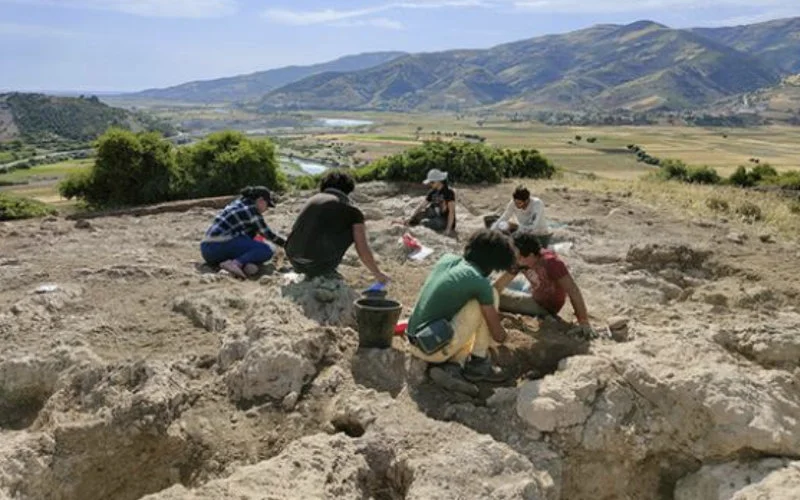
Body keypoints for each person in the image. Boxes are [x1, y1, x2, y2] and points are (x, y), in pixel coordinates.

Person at [405, 229, 516, 394]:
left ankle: (452, 366)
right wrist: (506, 337)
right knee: (489, 297)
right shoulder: (480, 283)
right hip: (432, 350)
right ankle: (478, 363)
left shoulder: (447, 260)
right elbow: (498, 335)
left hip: (415, 341)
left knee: (475, 300)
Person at [285, 170, 389, 283]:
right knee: (355, 226)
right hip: (318, 265)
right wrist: (377, 273)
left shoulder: (311, 200)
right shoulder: (351, 211)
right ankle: (323, 268)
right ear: (348, 190)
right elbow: (362, 247)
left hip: (293, 260)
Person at [494, 232, 595, 339]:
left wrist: (583, 322)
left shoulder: (552, 263)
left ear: (530, 256)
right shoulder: (521, 261)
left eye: (515, 255)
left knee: (497, 297)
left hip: (543, 305)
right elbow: (499, 284)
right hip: (533, 288)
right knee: (489, 286)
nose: (512, 257)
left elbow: (573, 291)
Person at [201, 186, 285, 279]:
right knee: (266, 250)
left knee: (254, 243)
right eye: (267, 205)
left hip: (207, 250)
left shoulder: (238, 204)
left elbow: (251, 235)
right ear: (261, 200)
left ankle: (242, 264)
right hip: (217, 246)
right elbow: (267, 234)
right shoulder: (250, 210)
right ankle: (235, 263)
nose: (267, 209)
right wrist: (285, 244)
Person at [486, 185, 551, 247]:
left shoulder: (537, 204)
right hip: (522, 233)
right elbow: (504, 217)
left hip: (539, 235)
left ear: (526, 200)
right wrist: (491, 232)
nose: (517, 205)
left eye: (519, 203)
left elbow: (532, 227)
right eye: (515, 202)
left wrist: (516, 226)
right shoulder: (513, 203)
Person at [407, 169, 456, 236]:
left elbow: (451, 211)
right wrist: (411, 216)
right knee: (419, 215)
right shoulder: (432, 192)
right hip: (435, 214)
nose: (430, 184)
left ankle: (427, 224)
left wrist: (448, 229)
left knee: (424, 222)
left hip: (445, 219)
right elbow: (422, 205)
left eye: (432, 182)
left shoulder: (449, 192)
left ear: (439, 181)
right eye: (430, 182)